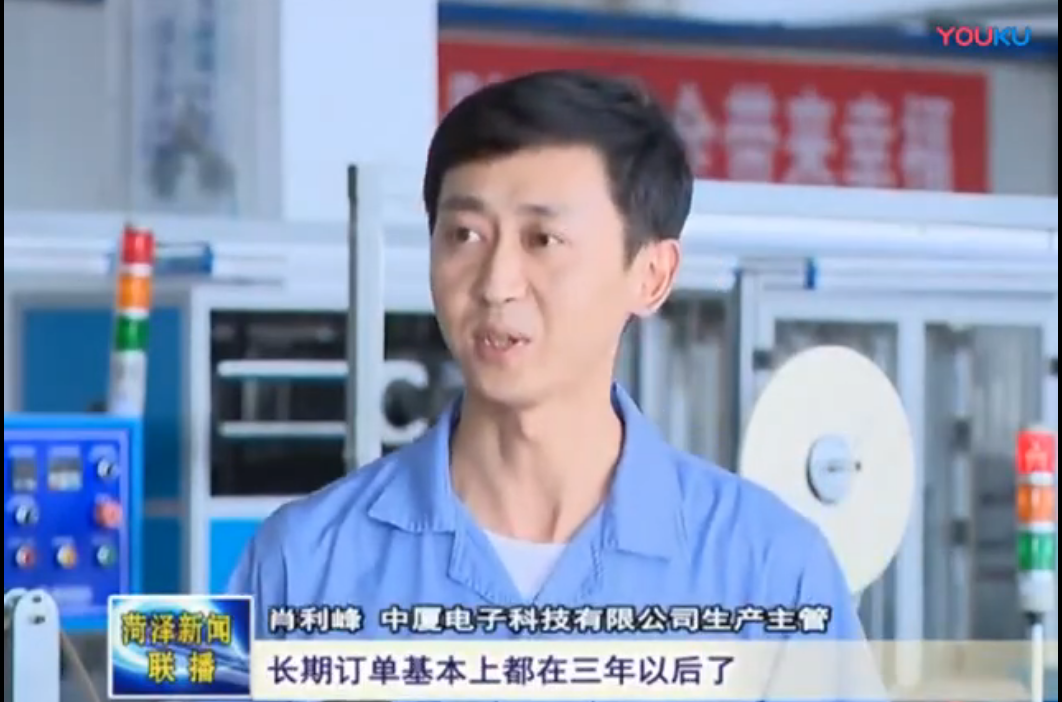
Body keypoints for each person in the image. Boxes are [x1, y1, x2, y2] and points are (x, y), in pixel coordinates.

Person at [229, 70, 863, 654]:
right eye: (464, 235)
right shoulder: (297, 562)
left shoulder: (772, 574)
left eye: (544, 240)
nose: (496, 283)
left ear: (651, 275)